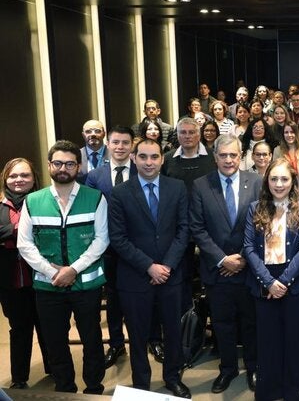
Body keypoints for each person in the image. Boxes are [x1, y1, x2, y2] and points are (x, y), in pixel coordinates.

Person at [17, 140, 109, 395]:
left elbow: (102, 239)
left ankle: (94, 387)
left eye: (70, 163)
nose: (63, 168)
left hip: (86, 285)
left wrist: (73, 270)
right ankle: (65, 388)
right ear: (49, 166)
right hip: (48, 287)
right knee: (55, 342)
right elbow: (24, 244)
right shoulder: (33, 201)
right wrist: (53, 272)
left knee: (92, 340)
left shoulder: (95, 198)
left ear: (78, 167)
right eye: (58, 163)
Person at [108, 138, 191, 398]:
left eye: (154, 157)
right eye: (143, 157)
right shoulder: (120, 192)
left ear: (162, 159)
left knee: (173, 331)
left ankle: (172, 377)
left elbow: (184, 229)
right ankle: (141, 383)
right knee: (138, 333)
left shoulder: (177, 188)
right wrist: (149, 267)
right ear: (133, 158)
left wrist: (166, 265)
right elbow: (117, 238)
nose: (149, 162)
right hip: (135, 277)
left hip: (171, 274)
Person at [189, 135, 261, 393]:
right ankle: (227, 369)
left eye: (233, 155)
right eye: (223, 155)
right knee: (222, 324)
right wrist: (222, 259)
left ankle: (254, 368)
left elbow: (262, 222)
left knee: (251, 323)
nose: (229, 160)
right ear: (215, 157)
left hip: (248, 268)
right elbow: (197, 228)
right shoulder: (200, 185)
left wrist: (243, 256)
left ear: (241, 156)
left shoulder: (256, 182)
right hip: (217, 271)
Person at [243, 158, 299, 400]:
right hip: (263, 283)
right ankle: (270, 388)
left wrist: (283, 282)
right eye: (274, 178)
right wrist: (268, 282)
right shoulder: (255, 208)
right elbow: (249, 248)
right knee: (268, 340)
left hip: (294, 282)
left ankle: (295, 389)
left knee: (296, 340)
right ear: (267, 181)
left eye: (284, 178)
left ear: (293, 181)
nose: (279, 183)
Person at [85, 126, 139, 369]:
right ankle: (116, 342)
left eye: (125, 143)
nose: (120, 147)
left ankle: (151, 339)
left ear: (131, 145)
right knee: (114, 297)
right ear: (108, 144)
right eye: (115, 142)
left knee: (145, 296)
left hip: (140, 245)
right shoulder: (96, 176)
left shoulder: (143, 169)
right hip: (108, 247)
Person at [0, 158, 49, 389]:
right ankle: (19, 379)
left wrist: (9, 234)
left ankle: (55, 370)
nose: (19, 180)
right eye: (13, 176)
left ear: (34, 178)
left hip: (42, 277)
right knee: (19, 329)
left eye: (24, 175)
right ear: (5, 179)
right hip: (10, 281)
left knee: (48, 326)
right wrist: (22, 228)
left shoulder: (45, 201)